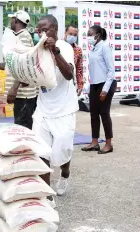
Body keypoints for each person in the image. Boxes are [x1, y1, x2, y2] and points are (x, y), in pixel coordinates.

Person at [33, 15, 79, 196]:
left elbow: (68, 74)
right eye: (38, 30)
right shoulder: (37, 49)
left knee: (62, 151)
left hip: (64, 110)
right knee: (42, 151)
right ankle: (45, 194)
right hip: (43, 109)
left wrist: (55, 51)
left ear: (55, 30)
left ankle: (65, 174)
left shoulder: (66, 48)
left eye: (44, 29)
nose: (40, 33)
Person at [0, 10, 37, 130]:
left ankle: (25, 149)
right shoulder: (18, 36)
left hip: (24, 94)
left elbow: (23, 64)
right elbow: (12, 64)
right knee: (21, 126)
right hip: (21, 94)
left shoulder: (23, 37)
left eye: (12, 19)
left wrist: (14, 88)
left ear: (15, 20)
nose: (10, 21)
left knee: (23, 129)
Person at [81, 25, 117, 154]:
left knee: (104, 114)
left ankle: (108, 144)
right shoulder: (94, 48)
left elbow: (111, 70)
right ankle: (94, 142)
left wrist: (105, 89)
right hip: (95, 84)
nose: (88, 37)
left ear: (98, 35)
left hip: (106, 84)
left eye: (90, 34)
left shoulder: (104, 47)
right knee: (93, 114)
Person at [64, 25, 84, 96]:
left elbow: (79, 68)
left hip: (71, 82)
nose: (72, 36)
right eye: (70, 34)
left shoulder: (78, 50)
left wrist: (80, 85)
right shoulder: (58, 46)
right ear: (65, 33)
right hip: (59, 82)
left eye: (75, 35)